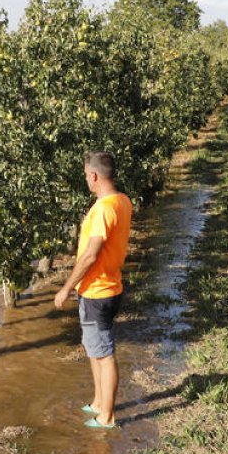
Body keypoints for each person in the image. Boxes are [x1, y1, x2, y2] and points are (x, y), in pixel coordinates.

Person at [54, 150, 132, 430]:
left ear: (95, 176)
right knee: (94, 349)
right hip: (108, 285)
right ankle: (99, 402)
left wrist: (66, 287)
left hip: (98, 290)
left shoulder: (103, 210)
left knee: (104, 352)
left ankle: (107, 416)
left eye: (87, 175)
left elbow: (89, 255)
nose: (86, 179)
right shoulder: (122, 201)